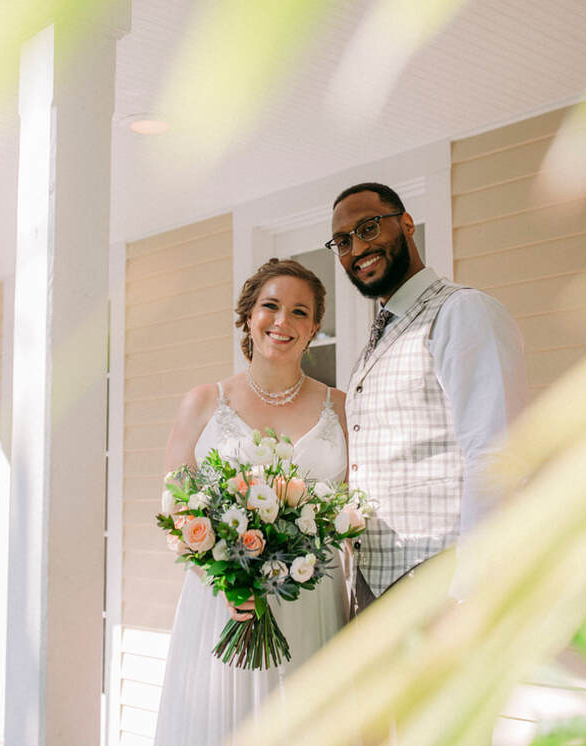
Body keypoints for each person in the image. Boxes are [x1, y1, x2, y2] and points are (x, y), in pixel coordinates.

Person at [154, 258, 350, 746]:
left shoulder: (342, 407)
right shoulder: (203, 402)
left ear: (314, 328)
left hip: (312, 602)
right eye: (271, 306)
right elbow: (177, 507)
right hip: (225, 606)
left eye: (300, 312)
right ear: (247, 316)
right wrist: (224, 580)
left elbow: (353, 507)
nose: (283, 321)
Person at [328, 182, 527, 610]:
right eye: (343, 241)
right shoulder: (378, 338)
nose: (356, 248)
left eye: (368, 228)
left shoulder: (460, 311)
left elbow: (496, 453)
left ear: (406, 224)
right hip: (374, 585)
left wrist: (470, 592)